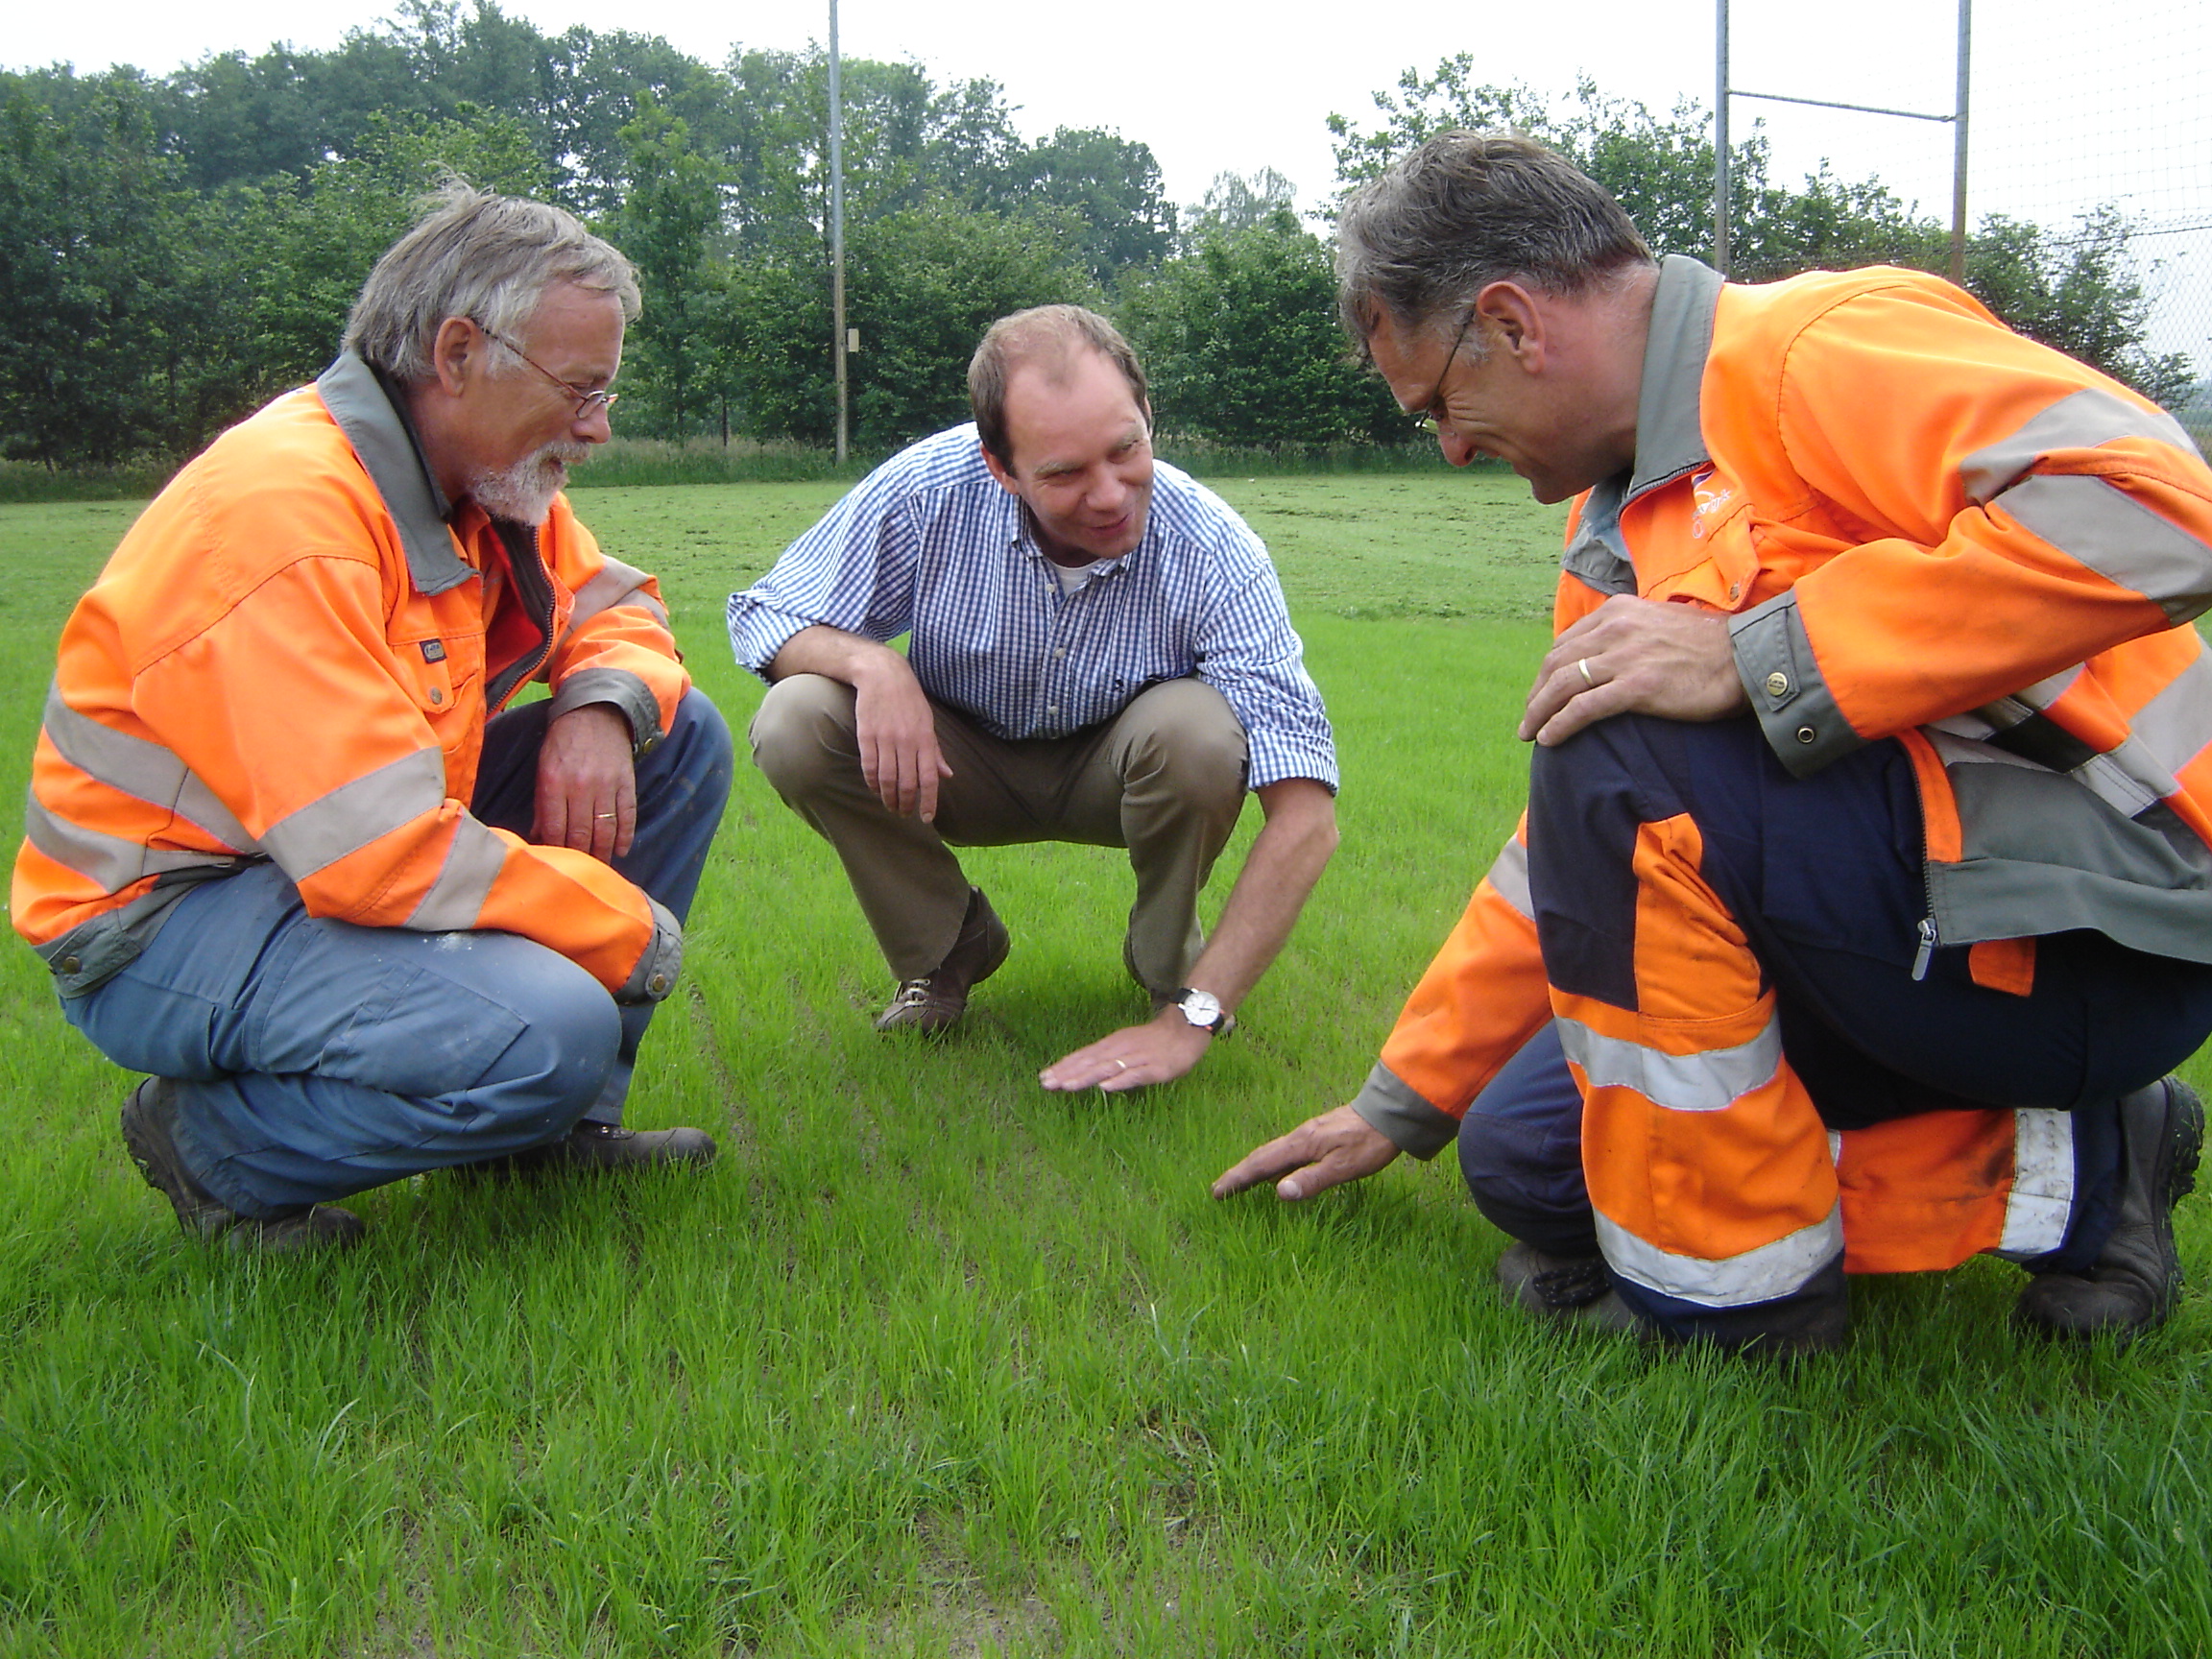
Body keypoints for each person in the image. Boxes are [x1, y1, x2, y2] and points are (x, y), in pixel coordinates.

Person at [1214, 133, 2212, 1354]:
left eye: (1438, 404)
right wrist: (1402, 1099)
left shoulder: (1812, 350)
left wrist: (1758, 657)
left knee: (1618, 758)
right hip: (1906, 935)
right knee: (1527, 1159)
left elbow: (2165, 507)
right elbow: (1575, 853)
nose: (1452, 448)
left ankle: (1743, 1314)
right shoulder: (1619, 524)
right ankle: (2094, 1167)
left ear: (1515, 324)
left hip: (2100, 928)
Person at [13, 185, 733, 1251]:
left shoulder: (482, 479)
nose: (599, 426)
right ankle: (210, 1146)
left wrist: (599, 706)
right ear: (455, 354)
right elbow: (377, 852)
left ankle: (545, 1136)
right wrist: (627, 931)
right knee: (554, 1025)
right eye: (582, 389)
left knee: (675, 737)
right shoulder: (288, 519)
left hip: (319, 848)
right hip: (161, 916)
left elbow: (614, 604)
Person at [728, 305, 1338, 1089]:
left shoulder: (1214, 547)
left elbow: (1307, 815)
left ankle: (1169, 972)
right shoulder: (928, 489)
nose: (1111, 494)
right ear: (1000, 466)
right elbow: (765, 611)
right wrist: (876, 667)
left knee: (1200, 732)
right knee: (795, 718)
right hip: (956, 767)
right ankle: (947, 945)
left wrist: (1196, 1019)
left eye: (1126, 449)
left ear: (1148, 415)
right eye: (1063, 473)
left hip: (1117, 773)